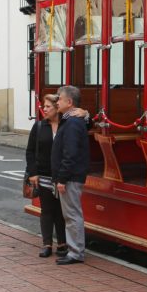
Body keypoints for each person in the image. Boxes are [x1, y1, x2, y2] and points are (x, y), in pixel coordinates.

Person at [51, 85, 90, 266]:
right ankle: (74, 249)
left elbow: (70, 153)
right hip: (71, 175)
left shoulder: (73, 122)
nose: (56, 102)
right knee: (71, 214)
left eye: (59, 98)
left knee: (72, 214)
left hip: (71, 176)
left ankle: (75, 252)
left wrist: (62, 178)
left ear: (69, 102)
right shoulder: (72, 119)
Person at [25, 95, 68, 258]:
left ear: (57, 108)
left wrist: (84, 113)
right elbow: (30, 151)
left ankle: (63, 243)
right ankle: (47, 244)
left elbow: (88, 124)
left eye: (48, 106)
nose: (44, 109)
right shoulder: (39, 127)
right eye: (44, 106)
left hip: (61, 176)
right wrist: (33, 173)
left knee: (61, 211)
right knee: (47, 210)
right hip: (43, 175)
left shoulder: (66, 125)